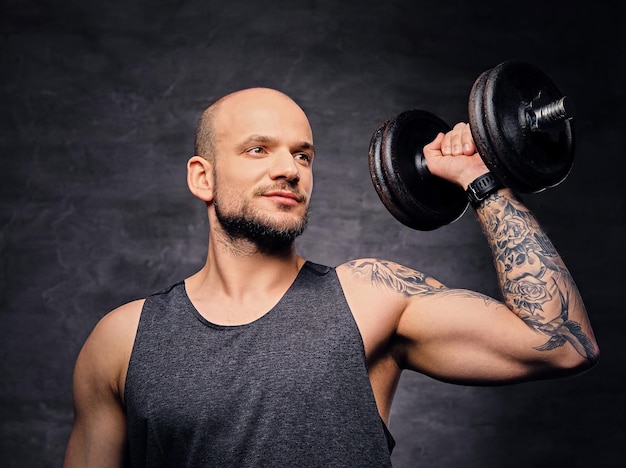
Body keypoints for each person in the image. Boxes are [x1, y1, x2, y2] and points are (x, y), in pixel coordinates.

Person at [63, 87, 599, 467]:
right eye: (257, 149)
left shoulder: (370, 296)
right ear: (203, 177)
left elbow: (561, 345)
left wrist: (479, 180)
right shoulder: (122, 341)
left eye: (303, 154)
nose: (289, 169)